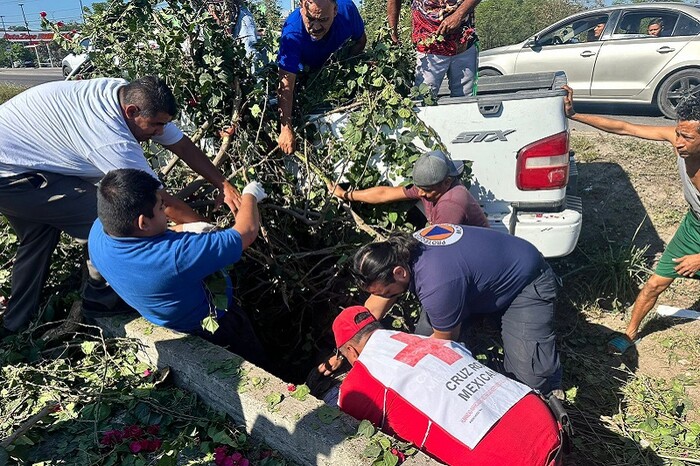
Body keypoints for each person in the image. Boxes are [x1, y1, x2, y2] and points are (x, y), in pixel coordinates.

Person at [0, 76, 241, 334]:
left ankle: (16, 323)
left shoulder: (127, 94)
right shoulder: (111, 138)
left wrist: (223, 183)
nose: (159, 132)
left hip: (19, 157)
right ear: (131, 112)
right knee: (110, 219)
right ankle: (100, 301)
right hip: (11, 173)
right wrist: (205, 237)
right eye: (156, 125)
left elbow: (181, 144)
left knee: (38, 234)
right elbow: (158, 199)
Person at [333, 305, 564, 465]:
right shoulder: (425, 340)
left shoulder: (360, 381)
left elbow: (353, 431)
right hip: (543, 422)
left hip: (506, 458)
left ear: (351, 351)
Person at [564, 85, 700, 354]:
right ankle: (630, 333)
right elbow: (623, 127)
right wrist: (574, 114)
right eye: (677, 134)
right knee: (654, 284)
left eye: (687, 137)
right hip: (694, 225)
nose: (679, 142)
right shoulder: (678, 141)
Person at [88, 168, 268, 366]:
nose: (165, 211)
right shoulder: (176, 257)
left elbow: (146, 242)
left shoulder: (98, 233)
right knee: (255, 362)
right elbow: (247, 231)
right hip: (216, 326)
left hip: (168, 319)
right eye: (160, 208)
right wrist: (250, 194)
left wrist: (183, 228)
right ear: (143, 222)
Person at [352, 226, 562, 396]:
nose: (385, 298)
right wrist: (348, 345)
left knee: (529, 381)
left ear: (399, 273)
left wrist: (398, 368)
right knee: (421, 340)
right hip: (476, 282)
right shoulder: (401, 251)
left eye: (387, 292)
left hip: (524, 283)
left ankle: (551, 390)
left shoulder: (436, 283)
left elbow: (444, 341)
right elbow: (374, 307)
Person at [276, 0, 367, 155]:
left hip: (335, 67)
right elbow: (286, 84)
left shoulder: (347, 10)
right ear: (301, 8)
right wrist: (285, 127)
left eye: (323, 20)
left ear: (335, 10)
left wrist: (343, 68)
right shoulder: (292, 33)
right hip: (304, 74)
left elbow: (360, 41)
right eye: (310, 19)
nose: (316, 27)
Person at [330, 149, 488, 227]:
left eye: (425, 190)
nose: (420, 193)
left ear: (446, 182)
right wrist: (345, 194)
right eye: (419, 187)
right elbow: (384, 193)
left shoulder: (450, 204)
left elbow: (440, 248)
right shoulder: (431, 186)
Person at [388, 0, 480, 98]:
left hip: (464, 45)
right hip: (428, 49)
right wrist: (393, 35)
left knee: (466, 100)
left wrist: (459, 14)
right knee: (424, 99)